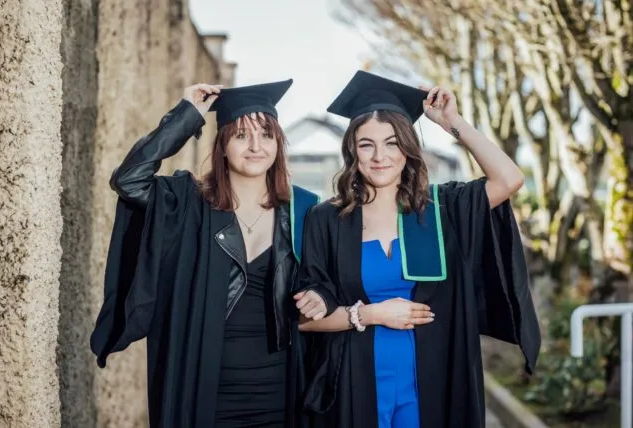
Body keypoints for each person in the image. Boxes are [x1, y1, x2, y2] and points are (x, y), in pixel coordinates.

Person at [293, 71, 541, 428]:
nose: (380, 156)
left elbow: (509, 179)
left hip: (433, 380)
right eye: (367, 144)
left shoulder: (442, 211)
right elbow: (305, 320)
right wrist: (371, 314)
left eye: (392, 143)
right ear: (352, 150)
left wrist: (453, 123)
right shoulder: (327, 219)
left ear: (408, 150)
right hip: (354, 381)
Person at [90, 79, 321, 427]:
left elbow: (322, 283)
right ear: (223, 145)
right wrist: (187, 115)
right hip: (202, 384)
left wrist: (319, 297)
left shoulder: (302, 210)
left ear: (278, 144)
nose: (255, 146)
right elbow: (129, 180)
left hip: (277, 386)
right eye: (241, 135)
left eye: (266, 135)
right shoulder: (189, 205)